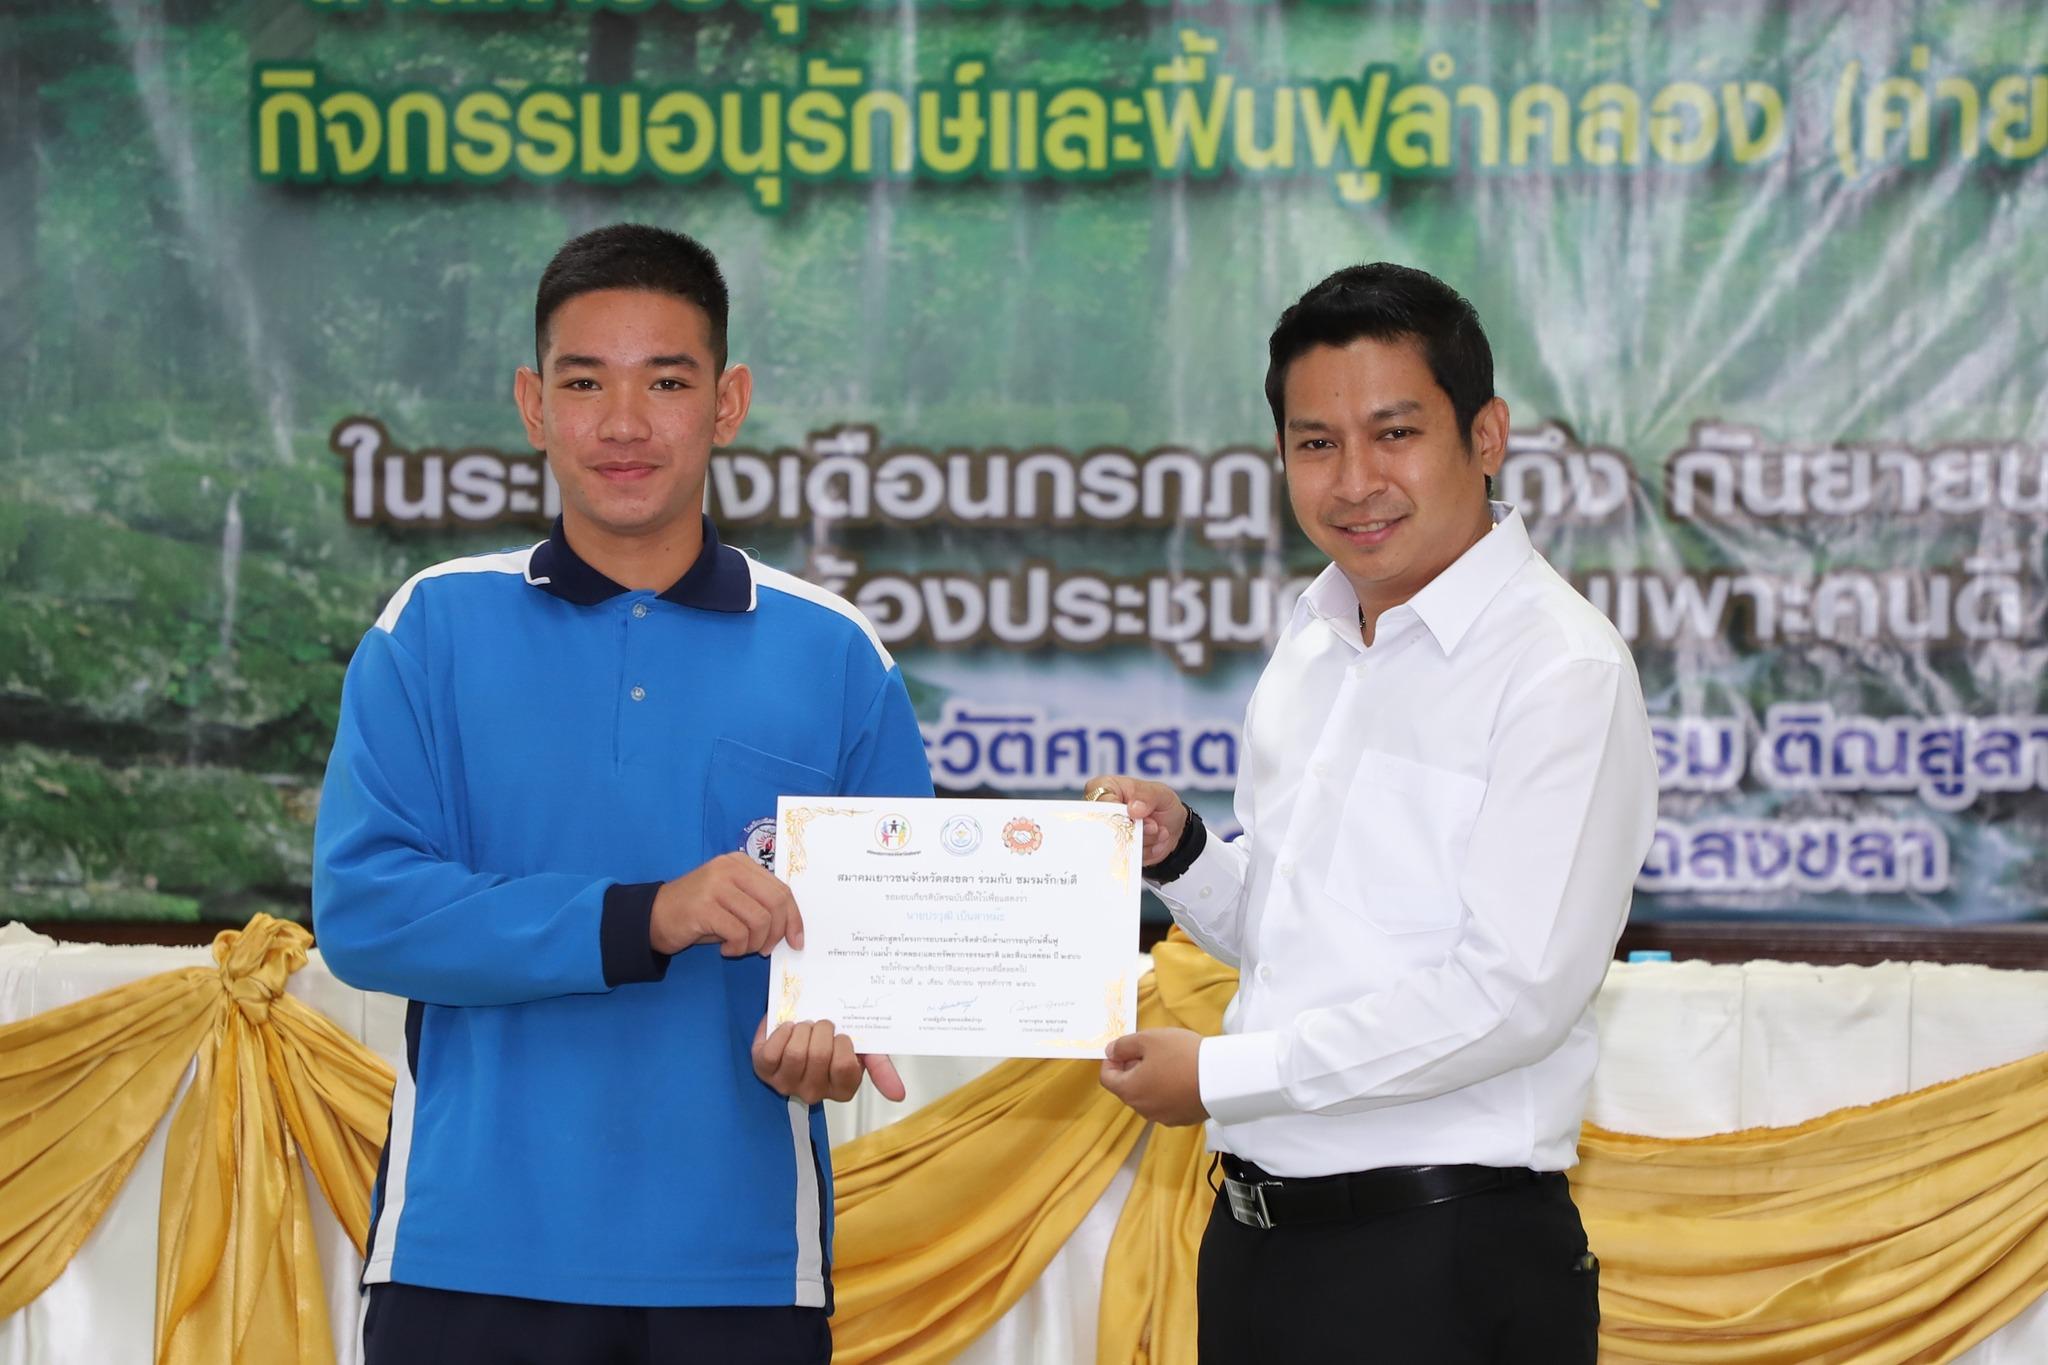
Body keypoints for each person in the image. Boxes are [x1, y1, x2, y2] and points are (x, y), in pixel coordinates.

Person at [313, 223, 932, 1365]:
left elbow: (882, 962)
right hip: (467, 1253)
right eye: (585, 381)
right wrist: (644, 914)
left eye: (667, 381)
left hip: (743, 1265)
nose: (625, 423)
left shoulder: (836, 653)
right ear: (533, 405)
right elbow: (366, 912)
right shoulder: (431, 625)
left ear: (727, 404)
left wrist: (833, 1041)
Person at [1090, 263, 1657, 1364]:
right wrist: (1184, 850)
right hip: (1257, 1246)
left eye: (1394, 433)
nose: (1354, 481)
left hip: (1442, 1259)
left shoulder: (1558, 668)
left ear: (1485, 435)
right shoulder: (1313, 641)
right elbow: (1302, 928)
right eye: (1316, 443)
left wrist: (1217, 1075)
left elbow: (1510, 996)